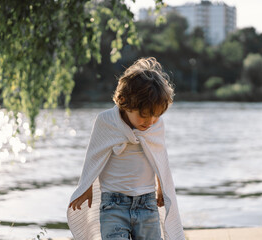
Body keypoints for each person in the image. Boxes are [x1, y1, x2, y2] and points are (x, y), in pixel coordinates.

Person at [67, 57, 185, 240]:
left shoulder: (156, 126)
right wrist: (86, 184)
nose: (150, 122)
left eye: (155, 116)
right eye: (144, 116)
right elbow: (93, 155)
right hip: (113, 205)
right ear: (124, 101)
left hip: (147, 203)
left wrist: (162, 188)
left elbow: (160, 159)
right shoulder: (106, 121)